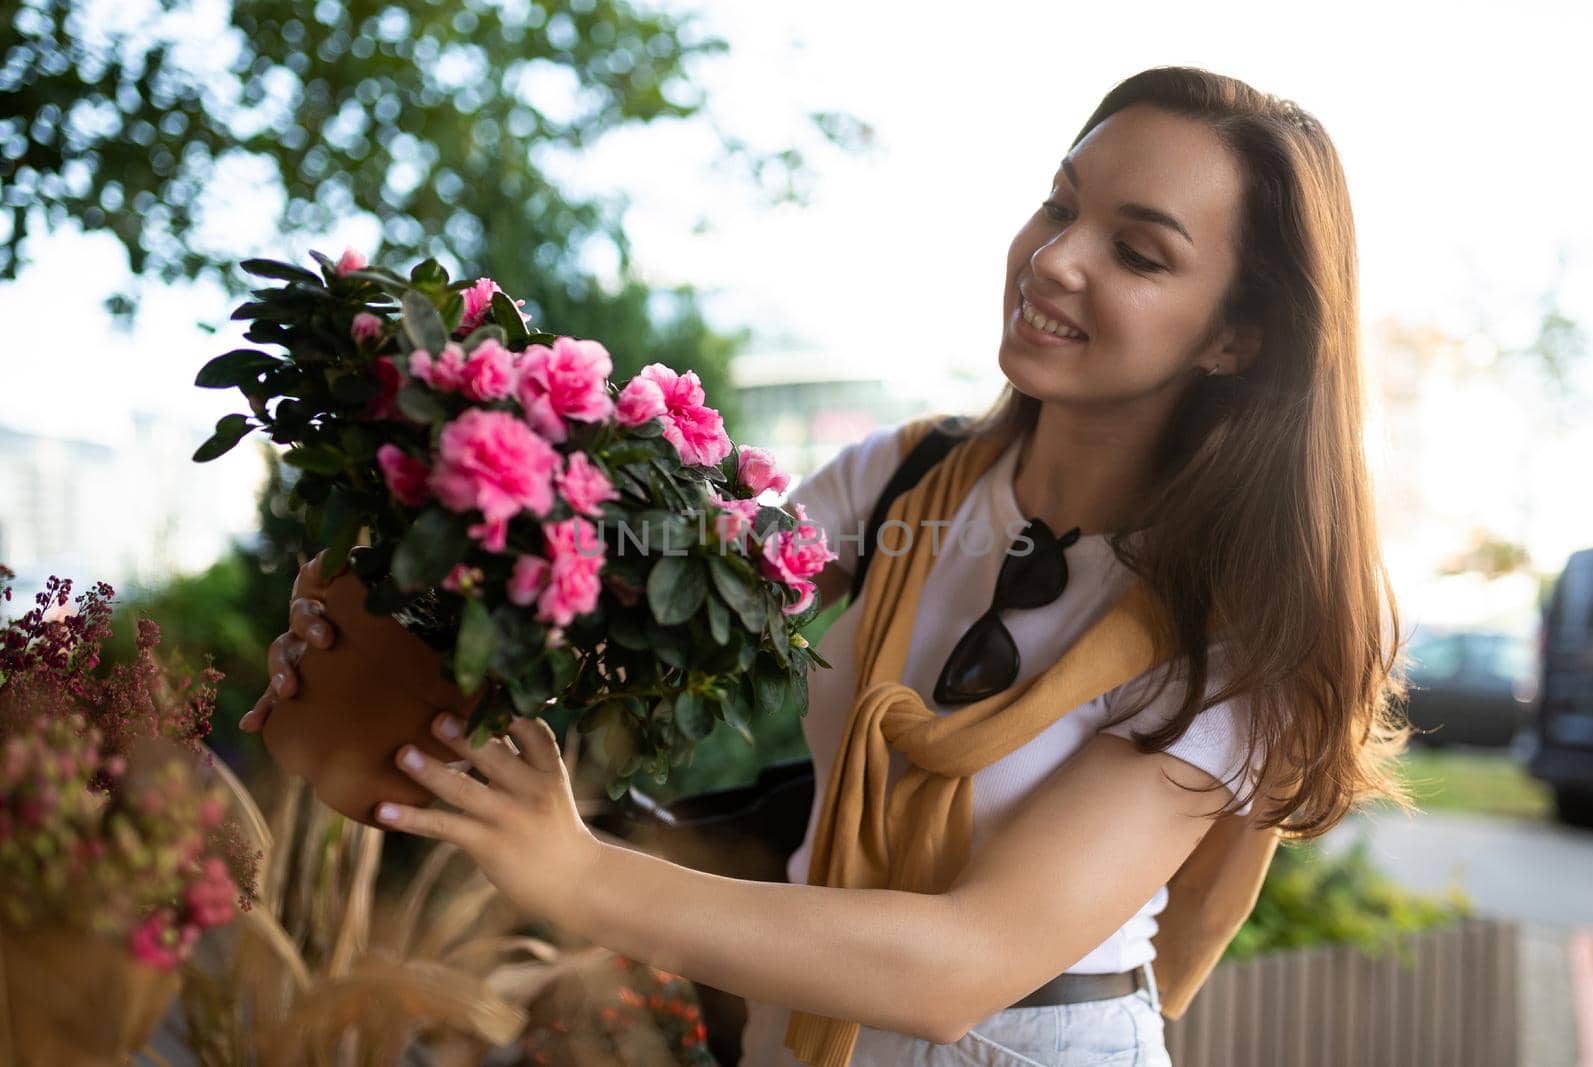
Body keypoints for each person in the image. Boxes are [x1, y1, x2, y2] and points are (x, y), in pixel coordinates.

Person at [243, 66, 1410, 1066]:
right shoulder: (899, 483)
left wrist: (582, 875)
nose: (1053, 259)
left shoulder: (1234, 630)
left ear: (1235, 337)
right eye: (1057, 204)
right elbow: (625, 628)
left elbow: (968, 958)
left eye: (1138, 251)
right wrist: (396, 596)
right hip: (799, 1033)